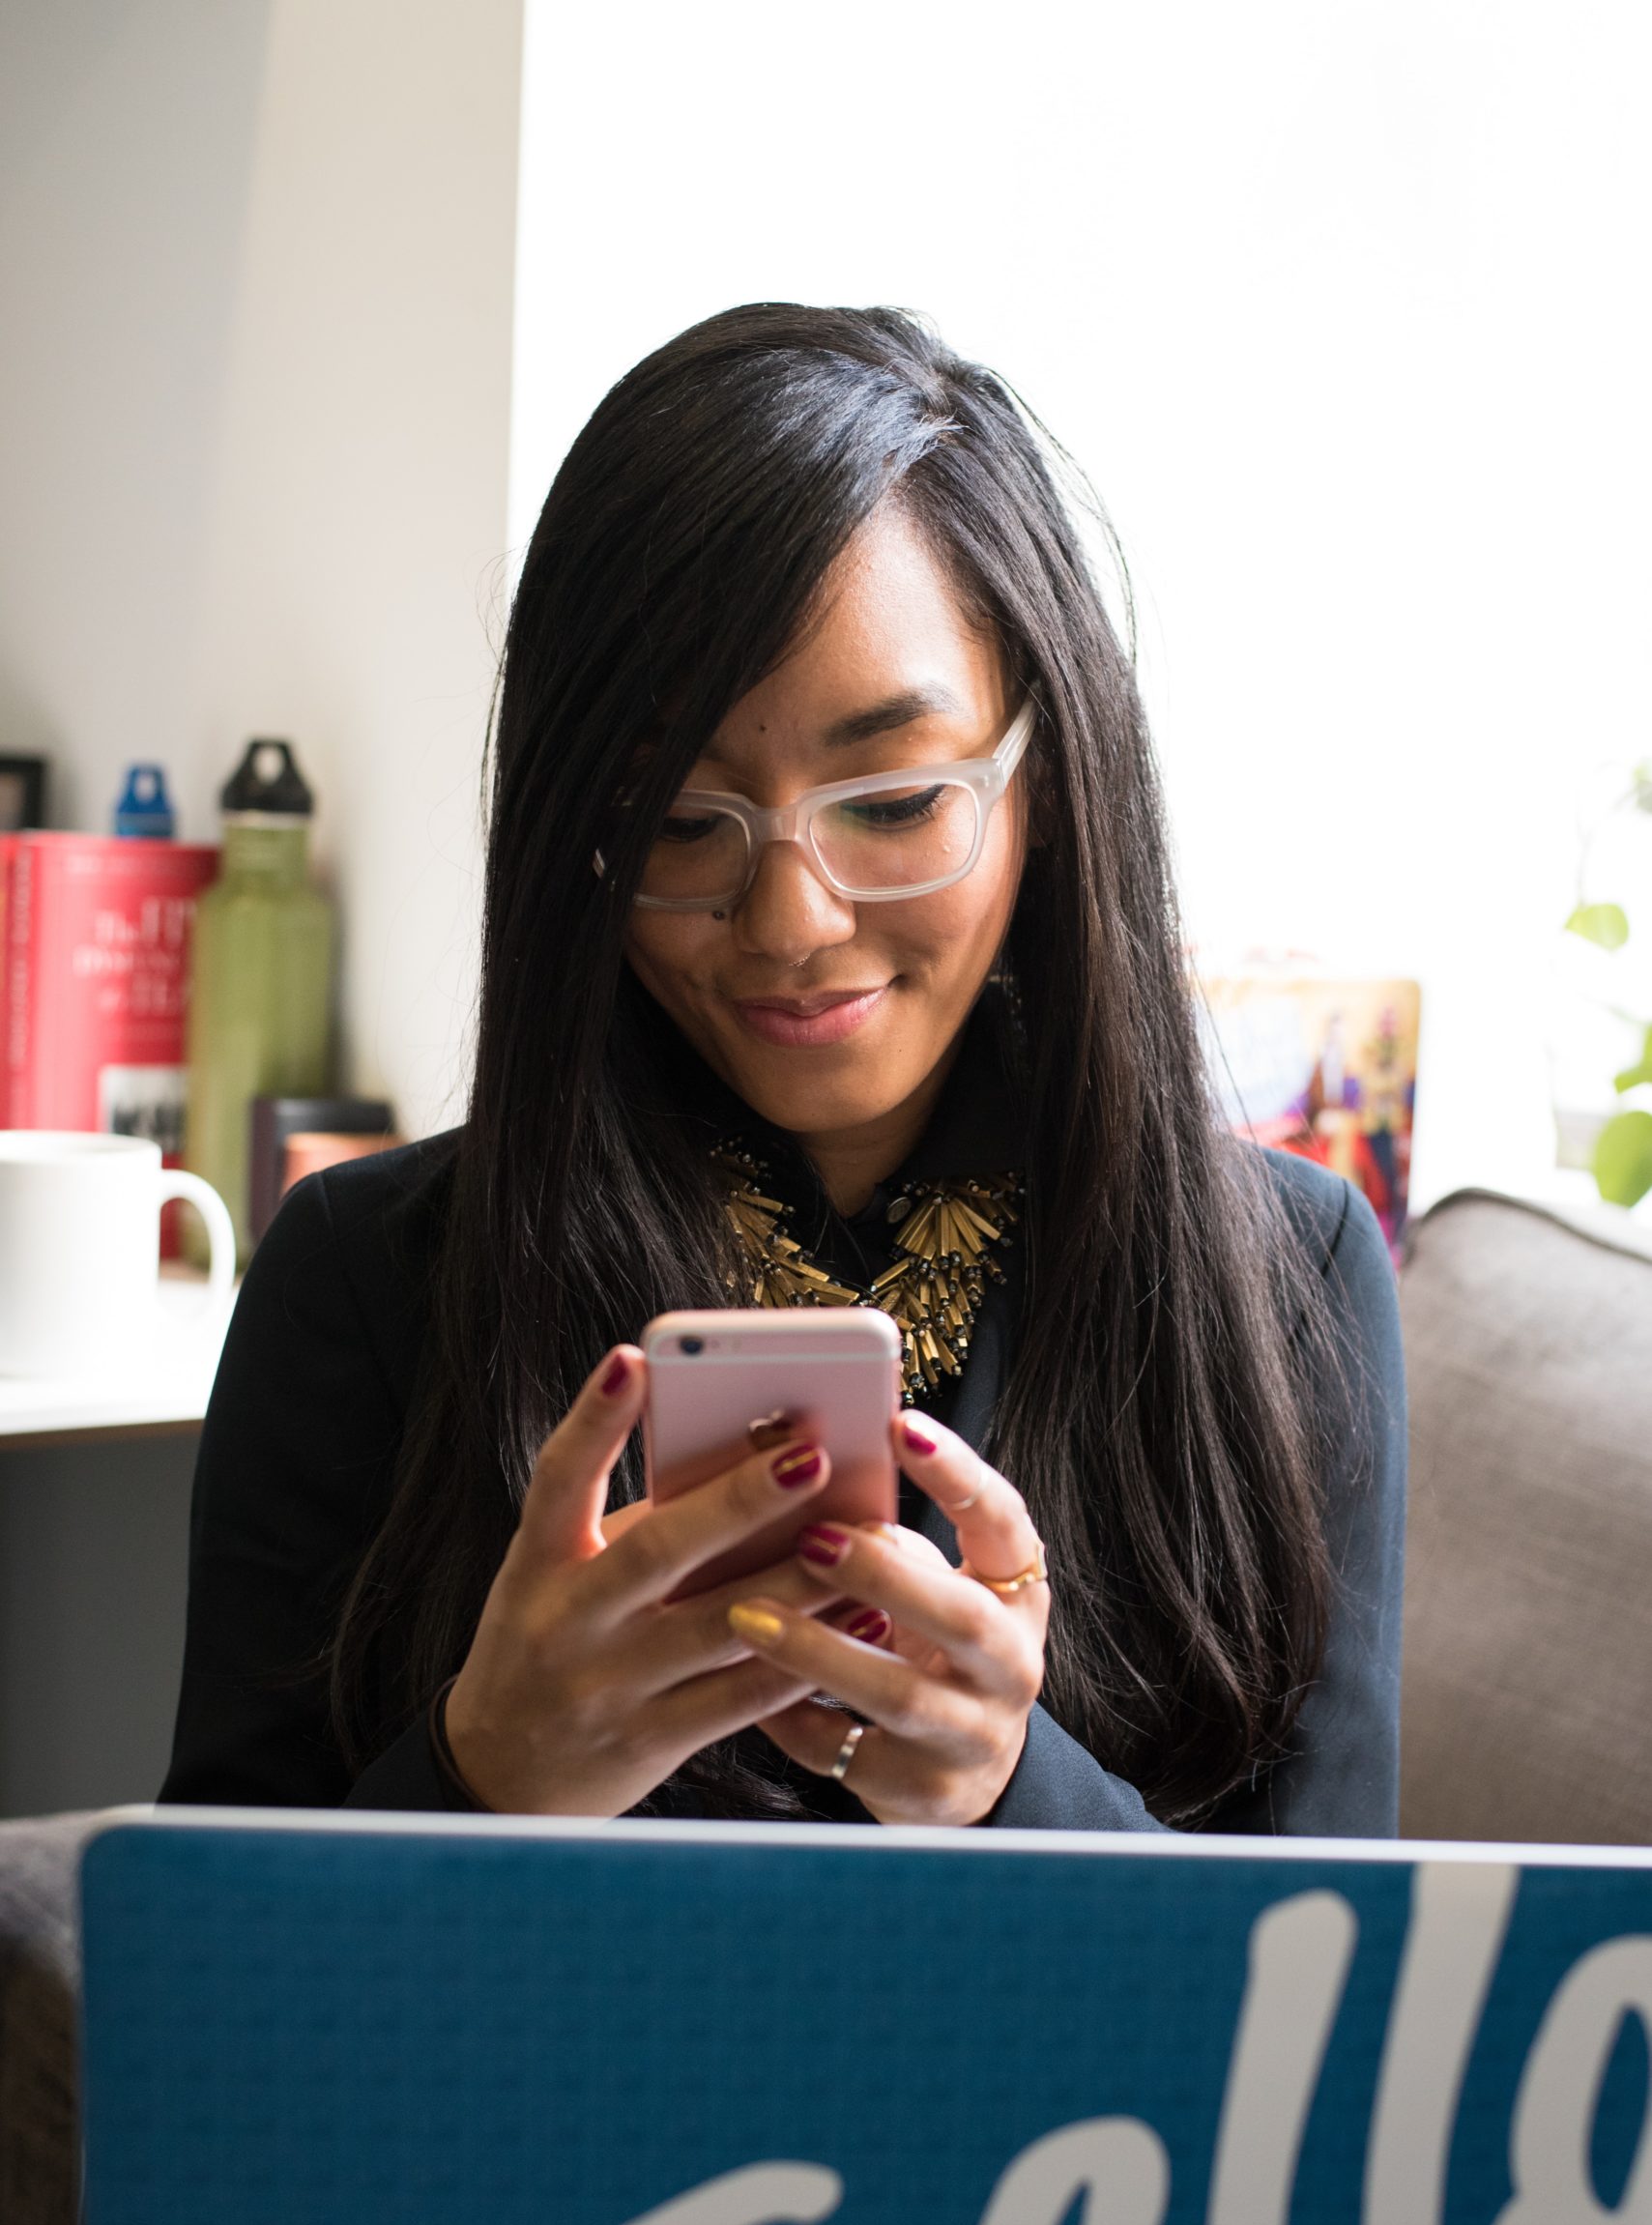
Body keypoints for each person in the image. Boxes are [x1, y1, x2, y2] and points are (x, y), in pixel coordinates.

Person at [162, 303, 1405, 1835]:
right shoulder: (366, 1282)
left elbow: (1331, 2009)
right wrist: (481, 1775)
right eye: (680, 825)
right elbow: (205, 2013)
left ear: (1049, 779)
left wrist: (1013, 1797)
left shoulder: (1286, 1278)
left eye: (889, 801)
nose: (791, 922)